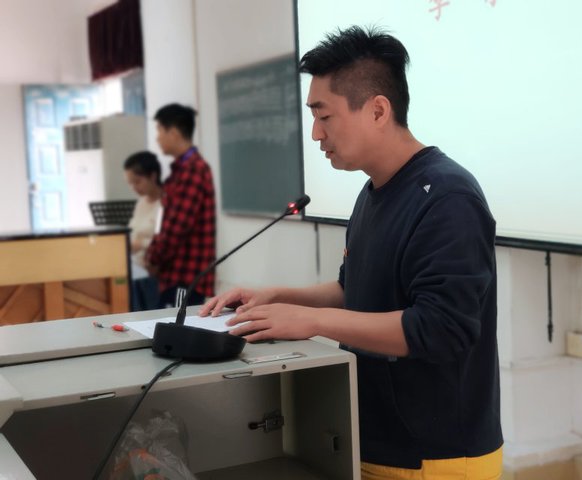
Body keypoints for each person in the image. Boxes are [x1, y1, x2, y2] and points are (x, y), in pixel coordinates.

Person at [200, 26, 502, 479]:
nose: (315, 133)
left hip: (433, 457)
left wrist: (312, 322)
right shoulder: (373, 191)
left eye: (324, 116)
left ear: (378, 110)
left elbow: (440, 328)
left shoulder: (447, 197)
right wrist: (278, 298)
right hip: (373, 437)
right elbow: (354, 290)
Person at [145, 103, 215, 308]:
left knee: (175, 326)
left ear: (174, 133)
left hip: (184, 277)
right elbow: (164, 221)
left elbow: (176, 228)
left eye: (159, 130)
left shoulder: (193, 170)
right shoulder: (180, 170)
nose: (157, 138)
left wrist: (153, 259)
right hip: (174, 275)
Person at [123, 151, 163, 311]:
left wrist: (141, 244)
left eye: (137, 182)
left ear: (153, 176)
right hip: (136, 266)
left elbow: (167, 240)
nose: (134, 188)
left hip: (154, 270)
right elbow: (134, 233)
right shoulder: (141, 203)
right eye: (130, 183)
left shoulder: (167, 203)